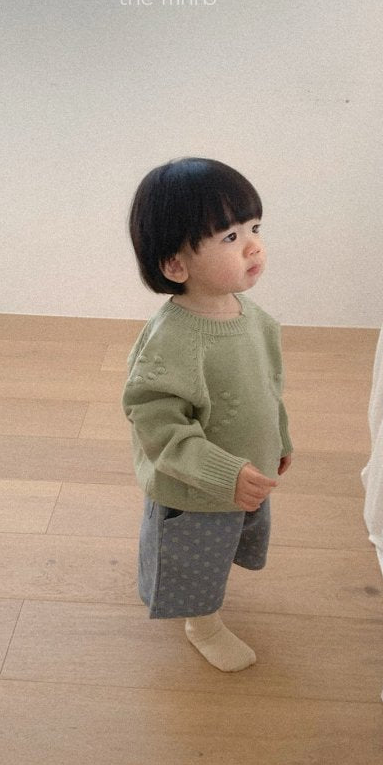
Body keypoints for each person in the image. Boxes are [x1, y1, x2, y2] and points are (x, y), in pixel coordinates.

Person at [121, 157, 293, 672]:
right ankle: (203, 623)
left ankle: (209, 595)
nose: (254, 246)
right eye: (230, 238)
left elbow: (268, 388)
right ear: (176, 265)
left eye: (255, 228)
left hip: (245, 473)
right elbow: (158, 427)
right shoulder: (172, 343)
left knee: (225, 544)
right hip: (196, 487)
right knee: (194, 560)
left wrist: (280, 439)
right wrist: (223, 473)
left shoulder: (255, 318)